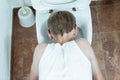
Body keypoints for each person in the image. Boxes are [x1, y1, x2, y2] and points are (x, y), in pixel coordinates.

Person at [29, 11, 104, 80]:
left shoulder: (40, 50)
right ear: (75, 30)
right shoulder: (83, 44)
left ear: (49, 34)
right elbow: (98, 76)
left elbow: (33, 77)